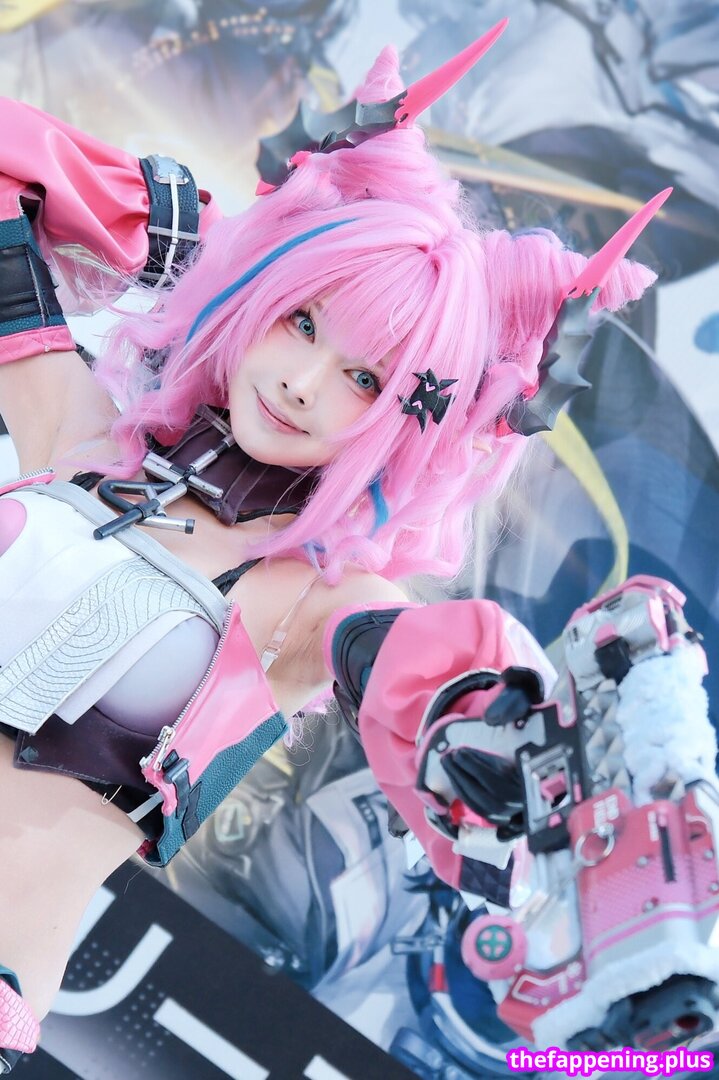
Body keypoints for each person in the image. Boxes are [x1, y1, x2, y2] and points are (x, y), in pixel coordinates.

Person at [0, 23, 666, 1072]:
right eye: (301, 320)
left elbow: (434, 677)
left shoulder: (318, 600)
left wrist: (497, 736)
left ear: (412, 423)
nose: (302, 383)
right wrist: (200, 231)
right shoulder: (79, 438)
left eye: (367, 379)